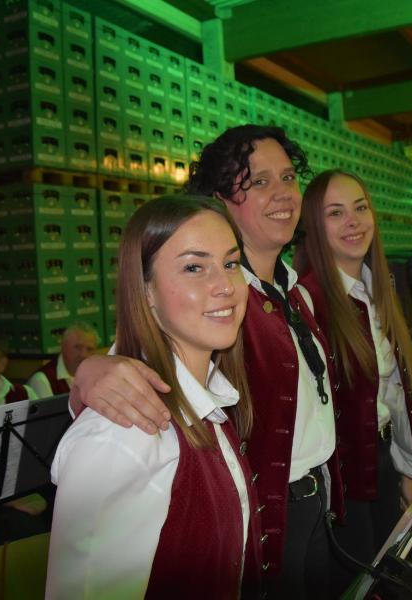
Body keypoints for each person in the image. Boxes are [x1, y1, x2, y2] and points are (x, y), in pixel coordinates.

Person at [70, 125, 342, 597]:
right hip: (266, 518)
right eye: (259, 182)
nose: (283, 193)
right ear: (219, 201)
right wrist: (89, 372)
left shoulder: (294, 290)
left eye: (288, 177)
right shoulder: (212, 309)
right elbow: (130, 372)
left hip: (313, 501)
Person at [46, 196, 262, 598]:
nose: (226, 286)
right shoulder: (124, 433)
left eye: (231, 263)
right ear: (146, 290)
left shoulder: (210, 402)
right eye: (194, 267)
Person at [294, 169, 412, 587]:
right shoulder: (307, 301)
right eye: (335, 213)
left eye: (360, 208)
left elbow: (390, 398)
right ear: (313, 227)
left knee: (387, 580)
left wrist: (405, 470)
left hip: (382, 464)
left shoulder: (374, 292)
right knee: (360, 585)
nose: (353, 222)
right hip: (345, 485)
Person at [26, 322, 99, 398]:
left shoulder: (97, 375)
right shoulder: (42, 381)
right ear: (62, 347)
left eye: (90, 349)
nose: (83, 354)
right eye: (77, 347)